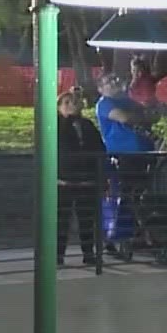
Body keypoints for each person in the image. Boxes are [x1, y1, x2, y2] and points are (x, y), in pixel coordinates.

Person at [95, 72, 157, 258]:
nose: (114, 82)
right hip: (123, 157)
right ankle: (119, 238)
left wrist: (146, 114)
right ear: (101, 88)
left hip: (144, 154)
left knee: (140, 196)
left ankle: (136, 236)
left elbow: (154, 116)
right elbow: (125, 118)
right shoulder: (105, 104)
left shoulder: (129, 102)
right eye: (108, 81)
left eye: (115, 79)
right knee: (126, 195)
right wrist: (144, 115)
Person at [57, 89, 104, 266]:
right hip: (64, 182)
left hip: (86, 181)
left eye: (73, 102)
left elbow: (99, 148)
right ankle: (58, 255)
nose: (71, 106)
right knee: (62, 221)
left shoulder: (87, 125)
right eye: (66, 103)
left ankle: (88, 253)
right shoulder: (55, 126)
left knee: (86, 220)